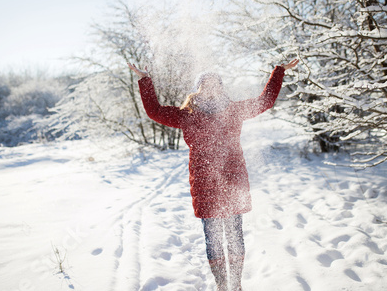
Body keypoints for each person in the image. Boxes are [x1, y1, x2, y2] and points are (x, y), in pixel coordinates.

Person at [128, 59, 299, 291]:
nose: (211, 88)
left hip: (233, 181)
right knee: (214, 240)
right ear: (197, 89)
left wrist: (278, 71)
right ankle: (221, 285)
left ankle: (236, 285)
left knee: (235, 237)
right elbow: (155, 111)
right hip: (204, 183)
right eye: (205, 85)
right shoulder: (187, 115)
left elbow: (265, 100)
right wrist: (144, 80)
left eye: (215, 84)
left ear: (221, 87)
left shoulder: (234, 110)